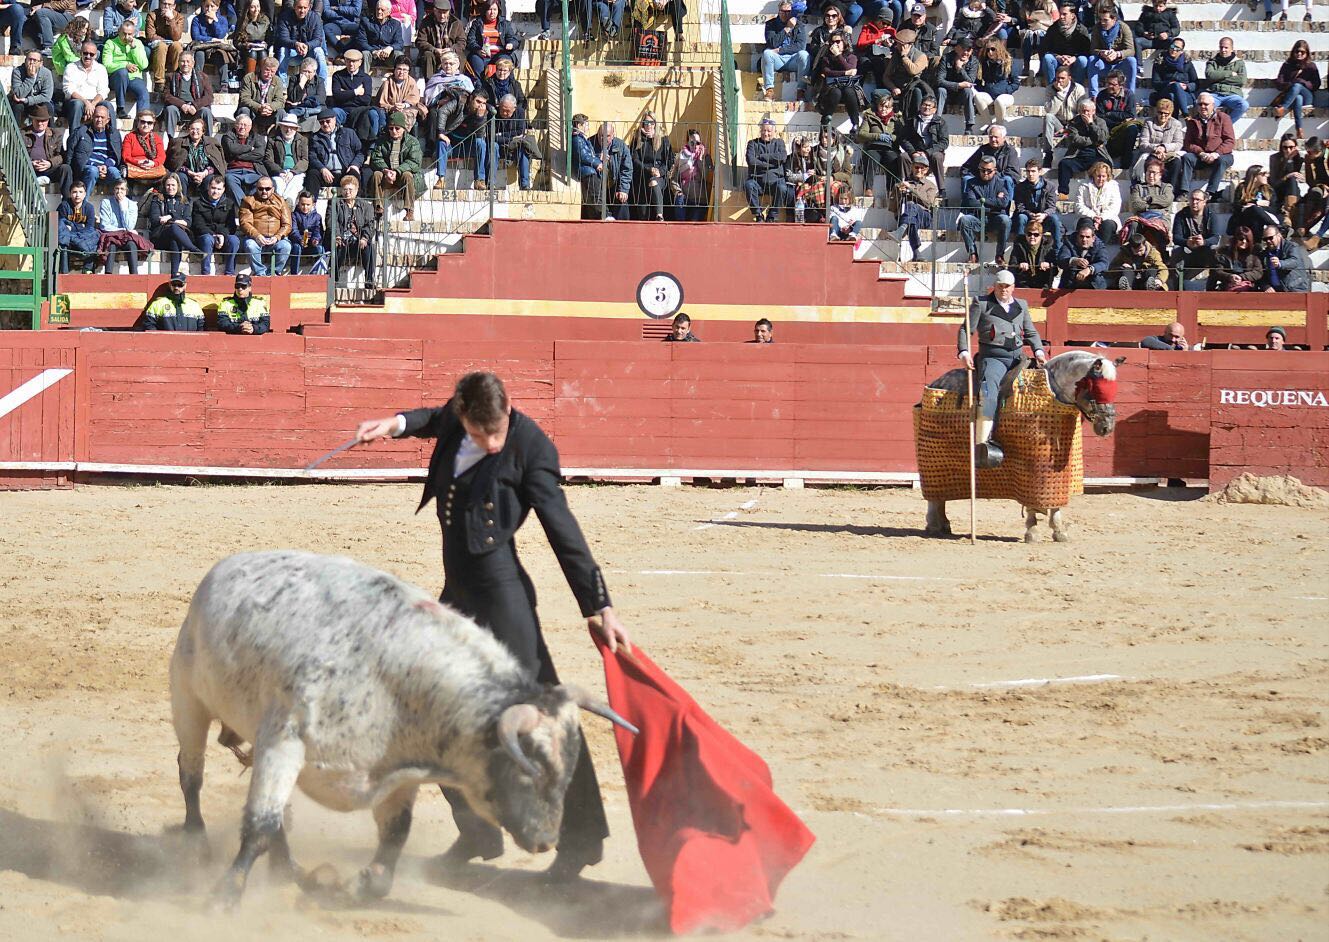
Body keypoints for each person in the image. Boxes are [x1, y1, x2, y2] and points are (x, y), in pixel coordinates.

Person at [353, 371, 631, 882]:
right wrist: (391, 425)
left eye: (498, 430)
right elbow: (429, 419)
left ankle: (582, 841)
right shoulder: (457, 418)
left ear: (507, 410)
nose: (494, 443)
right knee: (426, 708)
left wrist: (599, 604)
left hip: (503, 599)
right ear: (464, 415)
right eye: (483, 434)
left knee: (544, 713)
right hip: (458, 595)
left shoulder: (530, 446)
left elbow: (561, 526)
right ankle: (478, 832)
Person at [958, 268, 1046, 464]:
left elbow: (1031, 332)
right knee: (988, 394)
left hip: (1019, 358)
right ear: (994, 287)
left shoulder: (1021, 305)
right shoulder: (981, 303)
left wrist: (1039, 352)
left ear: (1013, 287)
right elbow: (966, 329)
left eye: (1007, 286)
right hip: (993, 358)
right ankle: (982, 443)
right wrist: (964, 352)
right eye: (1000, 286)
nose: (1003, 290)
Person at [958, 154, 1012, 264]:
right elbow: (971, 202)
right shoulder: (971, 183)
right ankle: (972, 254)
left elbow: (1004, 203)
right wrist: (994, 203)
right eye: (982, 170)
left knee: (1005, 220)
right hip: (978, 218)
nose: (985, 173)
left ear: (995, 170)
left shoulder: (1001, 183)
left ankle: (1000, 255)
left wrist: (982, 201)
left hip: (995, 219)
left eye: (989, 171)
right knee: (964, 220)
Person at [369, 112, 424, 219]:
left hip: (402, 176)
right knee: (376, 174)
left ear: (403, 128)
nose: (394, 131)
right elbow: (375, 158)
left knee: (408, 175)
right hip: (387, 176)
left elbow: (414, 162)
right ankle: (378, 207)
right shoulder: (381, 141)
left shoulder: (413, 142)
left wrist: (397, 171)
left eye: (397, 128)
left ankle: (409, 210)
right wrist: (386, 170)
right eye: (391, 128)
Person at [144, 173, 201, 278]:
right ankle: (193, 249)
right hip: (160, 236)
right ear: (164, 186)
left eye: (173, 185)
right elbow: (155, 219)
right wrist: (176, 220)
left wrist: (169, 217)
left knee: (175, 238)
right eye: (168, 185)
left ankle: (174, 275)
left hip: (179, 236)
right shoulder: (158, 199)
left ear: (178, 186)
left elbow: (188, 222)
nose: (170, 188)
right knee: (174, 227)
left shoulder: (185, 201)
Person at [239, 176, 292, 276]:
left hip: (276, 239)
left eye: (267, 189)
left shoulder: (281, 201)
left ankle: (274, 273)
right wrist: (257, 235)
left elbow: (287, 224)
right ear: (256, 188)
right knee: (250, 245)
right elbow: (245, 223)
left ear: (273, 189)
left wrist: (277, 237)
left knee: (285, 246)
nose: (264, 191)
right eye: (261, 189)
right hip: (256, 239)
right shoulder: (248, 201)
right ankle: (260, 273)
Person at [67, 102, 124, 195]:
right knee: (93, 171)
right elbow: (77, 155)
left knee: (115, 173)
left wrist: (106, 166)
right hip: (88, 169)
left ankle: (119, 202)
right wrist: (96, 166)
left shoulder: (114, 134)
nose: (99, 120)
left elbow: (115, 155)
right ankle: (82, 202)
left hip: (106, 169)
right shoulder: (81, 132)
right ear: (92, 117)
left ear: (108, 120)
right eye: (97, 116)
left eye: (102, 117)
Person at [1056, 97, 1109, 196]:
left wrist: (1091, 124)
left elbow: (1103, 138)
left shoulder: (1100, 122)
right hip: (1078, 155)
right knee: (1064, 164)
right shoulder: (1074, 122)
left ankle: (1101, 193)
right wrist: (1094, 140)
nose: (1085, 113)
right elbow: (1075, 139)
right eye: (1083, 111)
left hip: (1096, 155)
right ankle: (1063, 192)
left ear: (1093, 111)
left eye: (1088, 111)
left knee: (1104, 165)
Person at [190, 173, 240, 275]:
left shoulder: (229, 204)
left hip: (223, 237)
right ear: (208, 187)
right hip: (205, 238)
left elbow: (231, 226)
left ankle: (229, 273)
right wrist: (213, 235)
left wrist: (222, 235)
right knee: (207, 239)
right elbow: (198, 224)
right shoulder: (198, 203)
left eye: (218, 189)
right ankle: (205, 273)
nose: (215, 191)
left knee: (234, 240)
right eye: (213, 188)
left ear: (223, 190)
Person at [891, 153, 938, 262]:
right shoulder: (902, 183)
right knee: (911, 220)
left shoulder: (931, 186)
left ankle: (901, 230)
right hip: (905, 216)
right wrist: (898, 192)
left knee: (912, 206)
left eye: (922, 168)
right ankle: (916, 252)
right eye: (917, 167)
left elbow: (928, 203)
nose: (919, 170)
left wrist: (911, 190)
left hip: (924, 216)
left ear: (926, 170)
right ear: (912, 167)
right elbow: (893, 207)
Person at [308, 109, 365, 194]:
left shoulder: (348, 133)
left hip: (345, 171)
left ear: (334, 120)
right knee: (312, 174)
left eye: (328, 121)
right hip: (326, 173)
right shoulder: (315, 138)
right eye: (322, 122)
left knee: (354, 174)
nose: (325, 124)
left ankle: (355, 200)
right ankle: (311, 201)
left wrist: (355, 165)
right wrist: (322, 168)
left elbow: (360, 152)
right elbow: (312, 157)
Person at [102, 17, 150, 119]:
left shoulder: (137, 43)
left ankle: (142, 120)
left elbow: (144, 65)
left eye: (130, 34)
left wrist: (133, 48)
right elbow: (106, 65)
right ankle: (120, 108)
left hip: (134, 77)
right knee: (122, 72)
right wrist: (125, 66)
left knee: (143, 93)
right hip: (116, 78)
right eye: (124, 33)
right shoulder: (110, 43)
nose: (127, 37)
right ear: (119, 31)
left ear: (134, 34)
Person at [98, 178, 147, 274]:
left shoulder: (132, 205)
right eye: (117, 188)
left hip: (126, 238)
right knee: (111, 245)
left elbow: (130, 227)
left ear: (126, 191)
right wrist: (123, 230)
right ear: (113, 190)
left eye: (122, 189)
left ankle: (134, 275)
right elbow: (104, 226)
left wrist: (123, 207)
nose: (119, 191)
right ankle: (108, 274)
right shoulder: (106, 203)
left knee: (132, 245)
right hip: (112, 236)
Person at [762, 2, 810, 101]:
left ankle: (801, 91)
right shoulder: (771, 24)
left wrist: (781, 50)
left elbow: (801, 46)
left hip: (793, 59)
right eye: (783, 11)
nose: (785, 14)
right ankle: (769, 90)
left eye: (788, 11)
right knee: (767, 53)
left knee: (804, 54)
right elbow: (773, 43)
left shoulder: (799, 25)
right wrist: (787, 28)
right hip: (778, 59)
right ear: (779, 11)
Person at [856, 91, 902, 196]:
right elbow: (861, 134)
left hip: (890, 148)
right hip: (873, 147)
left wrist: (891, 137)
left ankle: (891, 190)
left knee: (894, 159)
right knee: (871, 157)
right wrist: (878, 136)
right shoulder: (869, 117)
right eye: (881, 106)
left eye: (887, 107)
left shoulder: (897, 119)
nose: (883, 109)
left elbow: (901, 136)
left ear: (891, 108)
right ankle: (868, 188)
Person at [629, 112, 673, 220]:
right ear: (642, 124)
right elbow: (635, 160)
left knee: (654, 182)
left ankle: (659, 215)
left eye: (651, 122)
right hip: (642, 175)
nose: (649, 125)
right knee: (643, 213)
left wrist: (660, 172)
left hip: (658, 175)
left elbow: (668, 160)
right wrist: (644, 138)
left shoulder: (663, 139)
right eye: (646, 122)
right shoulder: (638, 138)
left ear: (655, 124)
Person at [1274, 40, 1320, 140]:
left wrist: (1301, 82)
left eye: (1302, 52)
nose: (1299, 54)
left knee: (1298, 86)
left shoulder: (1311, 66)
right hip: (1292, 96)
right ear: (1293, 52)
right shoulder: (1287, 65)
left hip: (1307, 97)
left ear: (1307, 53)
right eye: (1297, 51)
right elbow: (1279, 83)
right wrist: (1291, 83)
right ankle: (1299, 128)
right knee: (1298, 98)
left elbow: (1316, 85)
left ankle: (1283, 108)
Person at [1169, 186, 1217, 283]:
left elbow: (1216, 237)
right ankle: (1177, 285)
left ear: (1204, 202)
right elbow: (1176, 237)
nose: (1194, 202)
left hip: (1204, 249)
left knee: (1214, 249)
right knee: (1176, 250)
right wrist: (1187, 242)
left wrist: (1204, 242)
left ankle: (1212, 283)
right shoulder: (1181, 215)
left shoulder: (1211, 215)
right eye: (1192, 199)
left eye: (1198, 200)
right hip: (1187, 249)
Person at [1084, 6, 1135, 96]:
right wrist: (1102, 53)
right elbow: (1093, 49)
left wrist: (1117, 54)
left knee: (1132, 61)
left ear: (1114, 19)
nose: (1102, 22)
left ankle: (1130, 95)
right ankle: (1093, 96)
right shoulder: (1097, 28)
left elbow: (1131, 50)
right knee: (1092, 59)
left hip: (1119, 63)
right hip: (1104, 63)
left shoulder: (1124, 28)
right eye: (1101, 19)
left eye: (1106, 20)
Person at [1042, 65, 1087, 165]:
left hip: (1074, 124)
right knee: (1048, 117)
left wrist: (1069, 127)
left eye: (1063, 78)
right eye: (1058, 78)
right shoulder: (1050, 89)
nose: (1060, 81)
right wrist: (1060, 94)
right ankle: (1048, 154)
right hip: (1058, 123)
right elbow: (1050, 111)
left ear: (1069, 78)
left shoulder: (1079, 89)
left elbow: (1081, 111)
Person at [161, 55, 215, 138]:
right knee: (170, 109)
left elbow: (209, 96)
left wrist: (195, 105)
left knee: (206, 111)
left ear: (193, 63)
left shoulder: (202, 77)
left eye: (188, 61)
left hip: (196, 109)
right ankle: (171, 140)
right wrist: (182, 105)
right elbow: (166, 95)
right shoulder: (171, 77)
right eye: (182, 61)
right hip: (179, 109)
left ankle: (208, 141)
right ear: (178, 63)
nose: (185, 64)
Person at [815, 33, 861, 129]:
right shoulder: (826, 58)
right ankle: (825, 121)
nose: (835, 44)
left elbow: (850, 68)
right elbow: (827, 72)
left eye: (838, 41)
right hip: (831, 88)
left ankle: (855, 124)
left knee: (849, 92)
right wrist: (845, 73)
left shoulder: (851, 57)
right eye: (832, 42)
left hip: (848, 87)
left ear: (844, 42)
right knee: (836, 92)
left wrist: (838, 55)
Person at [274, 0, 328, 82]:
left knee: (319, 51)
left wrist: (307, 46)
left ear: (309, 7)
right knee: (282, 50)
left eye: (305, 8)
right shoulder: (284, 17)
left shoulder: (315, 18)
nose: (302, 11)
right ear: (294, 7)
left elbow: (318, 40)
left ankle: (322, 84)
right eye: (299, 7)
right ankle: (282, 84)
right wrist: (296, 44)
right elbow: (283, 38)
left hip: (309, 52)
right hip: (292, 53)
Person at [1130, 97, 1182, 182]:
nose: (1163, 115)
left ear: (1170, 114)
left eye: (1166, 113)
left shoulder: (1176, 124)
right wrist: (1156, 148)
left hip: (1168, 154)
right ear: (1156, 112)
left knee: (1176, 163)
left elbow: (1178, 143)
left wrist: (1164, 148)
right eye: (1160, 112)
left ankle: (1171, 188)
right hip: (1151, 153)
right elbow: (1143, 143)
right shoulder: (1148, 123)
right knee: (1149, 162)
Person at [25, 106, 73, 197]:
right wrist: (30, 163)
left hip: (49, 169)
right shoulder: (23, 133)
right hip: (29, 168)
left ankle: (67, 202)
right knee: (24, 170)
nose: (40, 123)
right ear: (32, 120)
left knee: (66, 168)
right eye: (37, 120)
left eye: (43, 121)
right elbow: (16, 154)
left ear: (47, 121)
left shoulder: (56, 134)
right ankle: (30, 204)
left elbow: (61, 156)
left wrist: (50, 163)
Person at [222, 111, 268, 207]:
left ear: (250, 127)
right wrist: (250, 148)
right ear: (235, 125)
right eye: (240, 124)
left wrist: (237, 156)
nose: (242, 127)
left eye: (245, 125)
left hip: (253, 171)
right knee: (229, 179)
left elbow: (260, 154)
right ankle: (245, 206)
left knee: (263, 182)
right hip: (233, 171)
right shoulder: (228, 136)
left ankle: (247, 205)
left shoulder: (257, 138)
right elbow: (232, 148)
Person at [1012, 158, 1061, 247]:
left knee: (1054, 219)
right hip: (1027, 217)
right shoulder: (1020, 187)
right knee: (1021, 217)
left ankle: (1057, 250)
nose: (1030, 174)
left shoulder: (1049, 186)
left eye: (1033, 171)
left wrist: (1044, 215)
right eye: (1028, 171)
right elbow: (1020, 207)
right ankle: (1019, 249)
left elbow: (1052, 207)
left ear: (1040, 172)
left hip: (1043, 218)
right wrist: (1030, 214)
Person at [668, 128, 713, 222]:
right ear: (687, 142)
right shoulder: (680, 157)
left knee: (693, 224)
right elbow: (673, 178)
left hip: (699, 200)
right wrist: (678, 191)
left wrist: (700, 160)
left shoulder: (706, 157)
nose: (695, 145)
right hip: (684, 197)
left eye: (698, 143)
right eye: (692, 142)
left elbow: (707, 177)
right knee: (679, 201)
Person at [1039, 2, 1089, 88]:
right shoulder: (1053, 29)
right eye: (1060, 14)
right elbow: (1044, 49)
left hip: (1074, 63)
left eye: (1064, 14)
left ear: (1072, 15)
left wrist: (1074, 58)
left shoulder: (1082, 30)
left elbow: (1087, 51)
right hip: (1058, 62)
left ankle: (1076, 89)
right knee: (1048, 58)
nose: (1061, 17)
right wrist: (1058, 57)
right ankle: (1053, 88)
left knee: (1083, 60)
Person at [467, 0, 519, 79]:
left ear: (498, 10)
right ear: (485, 11)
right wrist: (478, 50)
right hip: (482, 54)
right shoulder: (477, 23)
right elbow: (471, 40)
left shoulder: (504, 24)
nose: (492, 12)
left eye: (495, 9)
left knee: (505, 63)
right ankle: (480, 84)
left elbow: (513, 39)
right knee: (476, 62)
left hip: (501, 53)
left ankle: (506, 84)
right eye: (489, 9)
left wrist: (510, 44)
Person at [62, 40, 109, 128]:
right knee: (77, 104)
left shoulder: (101, 69)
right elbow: (68, 90)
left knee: (107, 106)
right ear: (80, 53)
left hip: (94, 102)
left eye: (91, 54)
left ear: (95, 55)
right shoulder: (71, 67)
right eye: (85, 53)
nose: (88, 56)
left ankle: (111, 135)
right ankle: (74, 135)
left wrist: (92, 104)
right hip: (75, 101)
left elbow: (103, 91)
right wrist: (86, 102)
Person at [57, 181, 101, 274]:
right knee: (63, 243)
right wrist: (81, 226)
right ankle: (64, 272)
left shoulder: (89, 207)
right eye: (74, 192)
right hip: (69, 239)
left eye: (80, 192)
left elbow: (90, 228)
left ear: (84, 194)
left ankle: (87, 270)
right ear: (70, 193)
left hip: (82, 238)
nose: (77, 195)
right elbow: (61, 224)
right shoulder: (64, 206)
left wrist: (72, 226)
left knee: (95, 236)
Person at [416, 0, 467, 78]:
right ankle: (430, 82)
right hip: (434, 53)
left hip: (451, 52)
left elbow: (462, 42)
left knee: (460, 55)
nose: (442, 16)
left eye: (445, 13)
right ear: (434, 10)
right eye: (439, 12)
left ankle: (456, 80)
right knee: (427, 55)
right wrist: (434, 50)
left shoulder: (456, 23)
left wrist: (451, 49)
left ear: (449, 12)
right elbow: (420, 41)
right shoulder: (426, 22)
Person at [191, 0, 234, 91]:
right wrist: (211, 39)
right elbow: (196, 36)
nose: (209, 9)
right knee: (199, 54)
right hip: (201, 47)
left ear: (217, 7)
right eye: (207, 6)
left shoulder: (222, 20)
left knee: (222, 55)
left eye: (212, 6)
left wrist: (215, 21)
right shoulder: (197, 19)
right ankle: (197, 82)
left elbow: (221, 35)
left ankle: (224, 84)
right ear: (203, 6)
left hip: (215, 49)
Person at [974, 36, 1018, 126]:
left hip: (1005, 96)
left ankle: (999, 126)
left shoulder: (1008, 62)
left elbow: (1016, 83)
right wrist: (985, 89)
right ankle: (989, 126)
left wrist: (1006, 90)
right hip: (989, 95)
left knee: (999, 101)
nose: (990, 52)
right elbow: (977, 82)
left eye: (993, 49)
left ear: (998, 49)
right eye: (987, 50)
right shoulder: (983, 63)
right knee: (978, 96)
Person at [936, 38, 978, 132]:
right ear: (956, 48)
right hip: (947, 92)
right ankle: (936, 122)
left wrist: (960, 68)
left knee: (968, 91)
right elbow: (939, 81)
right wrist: (958, 85)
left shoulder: (973, 61)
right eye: (963, 49)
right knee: (941, 90)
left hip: (961, 95)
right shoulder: (946, 58)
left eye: (968, 50)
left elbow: (970, 82)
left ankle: (969, 125)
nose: (965, 52)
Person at [140, 273, 207, 332]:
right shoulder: (158, 304)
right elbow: (149, 325)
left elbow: (201, 327)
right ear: (170, 284)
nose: (176, 287)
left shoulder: (194, 305)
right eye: (174, 284)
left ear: (185, 285)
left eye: (180, 285)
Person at [1056, 218, 1110, 288]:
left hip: (1095, 285)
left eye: (1088, 237)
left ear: (1093, 238)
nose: (1084, 239)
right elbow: (1061, 260)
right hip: (1070, 284)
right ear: (1077, 236)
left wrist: (1090, 269)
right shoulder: (1068, 243)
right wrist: (1074, 261)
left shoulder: (1099, 246)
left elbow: (1104, 263)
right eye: (1081, 236)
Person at [1203, 36, 1246, 124]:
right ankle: (1210, 127)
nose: (1223, 50)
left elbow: (1241, 80)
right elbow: (1210, 76)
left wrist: (1218, 78)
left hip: (1232, 94)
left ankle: (1226, 125)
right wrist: (1230, 73)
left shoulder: (1239, 63)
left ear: (1232, 49)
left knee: (1244, 105)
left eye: (1226, 47)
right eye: (1221, 47)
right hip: (1215, 94)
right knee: (1204, 105)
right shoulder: (1212, 62)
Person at [239, 55, 285, 136]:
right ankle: (244, 136)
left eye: (272, 71)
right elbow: (244, 98)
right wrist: (259, 107)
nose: (269, 74)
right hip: (253, 111)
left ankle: (278, 138)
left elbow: (280, 101)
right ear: (261, 68)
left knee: (281, 112)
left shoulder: (278, 81)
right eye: (267, 70)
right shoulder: (249, 78)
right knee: (244, 110)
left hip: (269, 112)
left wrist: (270, 107)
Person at [1149, 38, 1196, 116]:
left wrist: (1186, 87)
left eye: (1177, 48)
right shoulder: (1160, 61)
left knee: (1173, 95)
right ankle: (1186, 115)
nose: (1174, 50)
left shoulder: (1187, 63)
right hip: (1165, 91)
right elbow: (1155, 83)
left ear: (1181, 51)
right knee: (1175, 85)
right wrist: (1169, 83)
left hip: (1184, 94)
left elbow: (1196, 83)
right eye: (1172, 46)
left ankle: (1175, 121)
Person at [1257, 224, 1310, 293]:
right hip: (1275, 292)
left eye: (1270, 238)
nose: (1268, 241)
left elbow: (1294, 261)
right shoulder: (1264, 254)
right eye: (1265, 239)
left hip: (1295, 289)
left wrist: (1280, 263)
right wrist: (1265, 286)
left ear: (1279, 235)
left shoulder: (1292, 246)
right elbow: (1260, 273)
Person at [1270, 133, 1307, 231]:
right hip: (1278, 189)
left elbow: (1299, 177)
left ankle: (1288, 215)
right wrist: (1287, 160)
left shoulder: (1299, 159)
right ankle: (1288, 214)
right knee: (1291, 178)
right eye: (1285, 147)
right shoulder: (1274, 158)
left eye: (1291, 147)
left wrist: (1300, 177)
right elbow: (1274, 182)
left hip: (1292, 191)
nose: (1288, 150)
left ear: (1295, 147)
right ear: (1281, 147)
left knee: (1292, 180)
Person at [145, 0, 185, 85]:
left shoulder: (179, 17)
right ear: (160, 4)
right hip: (156, 46)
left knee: (177, 46)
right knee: (162, 46)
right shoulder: (152, 15)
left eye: (169, 4)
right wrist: (165, 41)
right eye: (164, 4)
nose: (166, 6)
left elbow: (176, 37)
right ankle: (159, 82)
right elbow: (150, 35)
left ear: (174, 6)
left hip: (172, 46)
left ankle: (176, 79)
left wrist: (171, 20)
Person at [1008, 217, 1057, 288]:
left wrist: (1048, 265)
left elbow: (1055, 270)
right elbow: (1011, 267)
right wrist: (1019, 266)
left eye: (1036, 235)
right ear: (1025, 234)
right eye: (1029, 234)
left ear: (1041, 235)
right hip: (1023, 284)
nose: (1032, 237)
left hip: (1043, 284)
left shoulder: (1048, 246)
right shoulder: (1018, 245)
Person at [122, 109, 168, 184]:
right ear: (138, 123)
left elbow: (161, 156)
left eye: (149, 123)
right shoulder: (129, 137)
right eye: (143, 122)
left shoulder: (157, 138)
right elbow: (126, 156)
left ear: (153, 125)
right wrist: (138, 162)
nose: (146, 125)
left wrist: (153, 163)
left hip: (152, 167)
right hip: (134, 167)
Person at [10, 50, 54, 123]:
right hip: (22, 103)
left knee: (48, 106)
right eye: (29, 59)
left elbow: (46, 97)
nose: (31, 62)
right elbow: (18, 95)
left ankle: (51, 129)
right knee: (17, 107)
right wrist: (30, 78)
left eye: (35, 60)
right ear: (25, 61)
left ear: (41, 63)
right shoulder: (17, 72)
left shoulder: (46, 73)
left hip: (37, 102)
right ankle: (15, 130)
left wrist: (27, 100)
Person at [357, 0, 405, 66]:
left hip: (388, 55)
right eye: (378, 9)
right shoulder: (366, 22)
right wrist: (373, 51)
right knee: (365, 53)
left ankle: (397, 73)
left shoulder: (396, 24)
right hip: (372, 55)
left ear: (389, 12)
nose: (379, 12)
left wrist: (390, 48)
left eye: (382, 10)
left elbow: (399, 43)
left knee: (399, 54)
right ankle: (364, 73)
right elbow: (361, 41)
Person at [232, 0, 271, 81]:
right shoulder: (242, 21)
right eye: (253, 7)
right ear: (248, 8)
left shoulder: (265, 20)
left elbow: (270, 39)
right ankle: (249, 81)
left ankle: (263, 80)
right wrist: (246, 45)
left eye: (258, 6)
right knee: (252, 53)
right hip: (246, 50)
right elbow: (236, 42)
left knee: (263, 53)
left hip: (261, 48)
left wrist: (266, 44)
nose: (256, 9)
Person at [289, 190, 325, 274]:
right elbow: (294, 230)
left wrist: (315, 239)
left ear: (313, 205)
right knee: (296, 248)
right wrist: (300, 239)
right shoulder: (294, 215)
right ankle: (294, 274)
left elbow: (318, 231)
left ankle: (318, 273)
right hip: (298, 243)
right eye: (303, 204)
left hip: (311, 244)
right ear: (298, 204)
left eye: (308, 205)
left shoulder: (317, 217)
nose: (305, 207)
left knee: (320, 249)